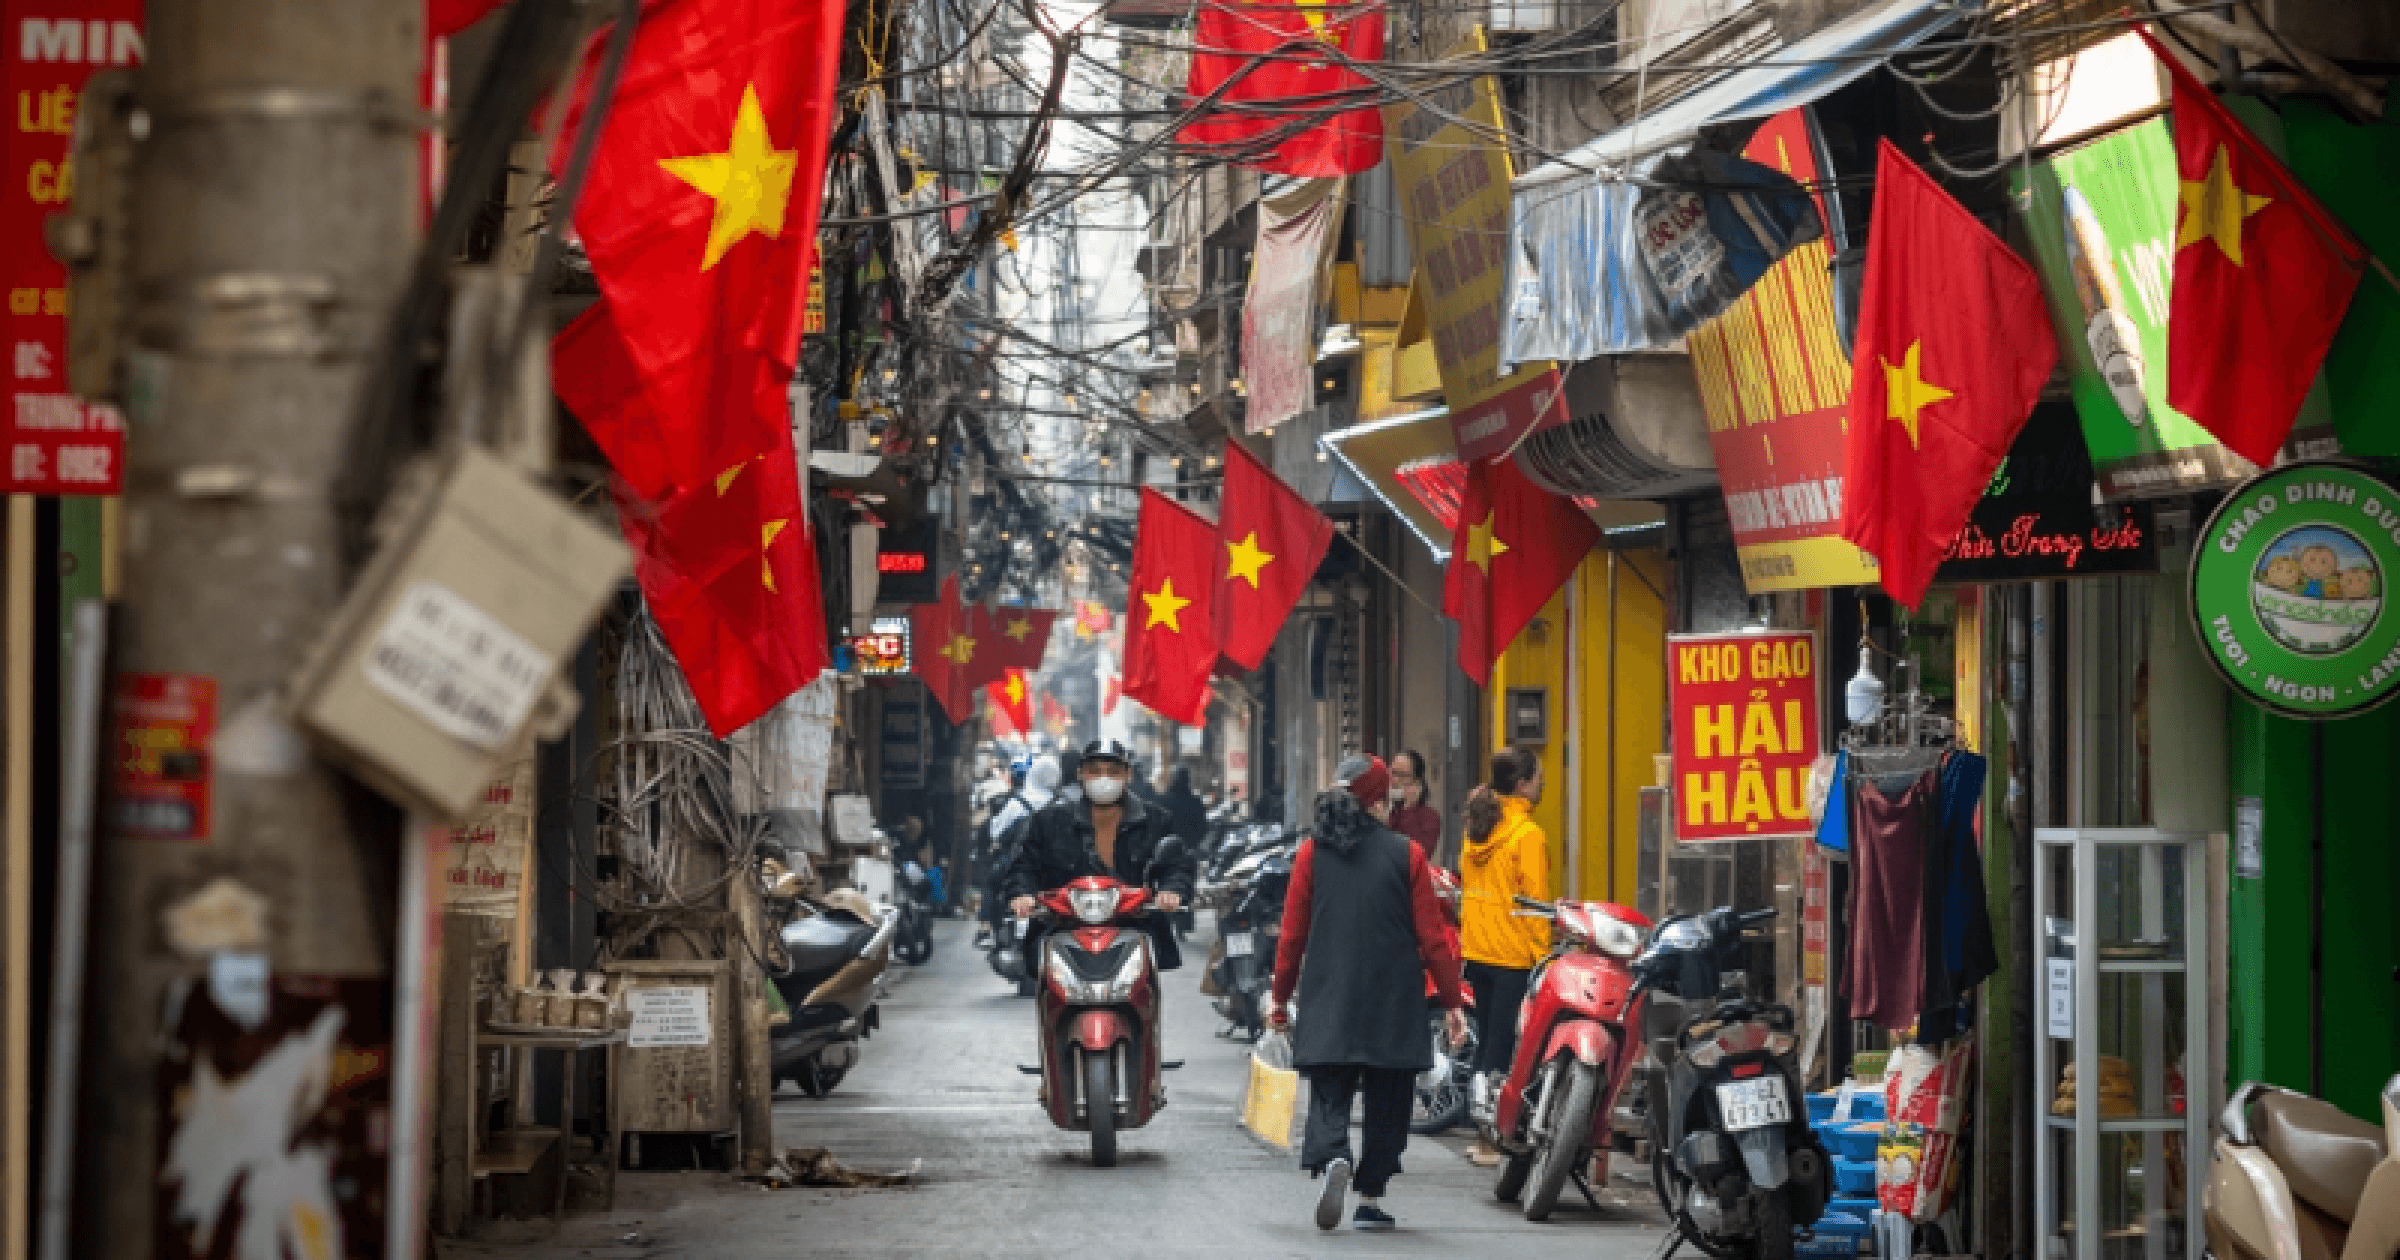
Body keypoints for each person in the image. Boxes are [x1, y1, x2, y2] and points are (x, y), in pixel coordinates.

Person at [1268, 755, 1467, 1233]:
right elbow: (1432, 935)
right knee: (1389, 1094)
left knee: (1330, 1085)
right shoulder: (1408, 853)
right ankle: (1370, 1195)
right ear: (1378, 798)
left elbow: (1292, 935)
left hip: (1330, 986)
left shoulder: (1311, 853)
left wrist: (1280, 994)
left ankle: (1335, 1153)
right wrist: (1453, 999)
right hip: (1393, 989)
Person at [997, 740, 1194, 968]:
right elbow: (1024, 863)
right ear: (1081, 774)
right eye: (1095, 771)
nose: (1104, 778)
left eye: (1113, 771)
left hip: (1135, 930)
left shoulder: (1155, 820)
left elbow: (1176, 863)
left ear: (1127, 774)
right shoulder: (1049, 821)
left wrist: (1172, 891)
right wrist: (1022, 894)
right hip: (1063, 930)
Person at [1457, 746, 1550, 1167]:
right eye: (1538, 776)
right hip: (1511, 954)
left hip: (1477, 949)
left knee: (1486, 1047)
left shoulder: (1479, 824)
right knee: (1501, 1047)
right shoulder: (1526, 834)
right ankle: (1489, 1140)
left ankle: (1481, 1132)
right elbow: (1534, 903)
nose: (1542, 783)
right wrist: (1542, 956)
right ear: (1522, 783)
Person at [1385, 750, 1442, 862]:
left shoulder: (1430, 817)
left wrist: (1409, 807)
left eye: (1403, 775)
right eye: (1393, 773)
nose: (1395, 780)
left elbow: (1419, 854)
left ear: (1417, 781)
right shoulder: (1380, 808)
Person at [1162, 765, 1209, 851]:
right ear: (1188, 780)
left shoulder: (1164, 801)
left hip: (1167, 850)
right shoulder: (1195, 802)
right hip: (1189, 850)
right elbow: (1203, 828)